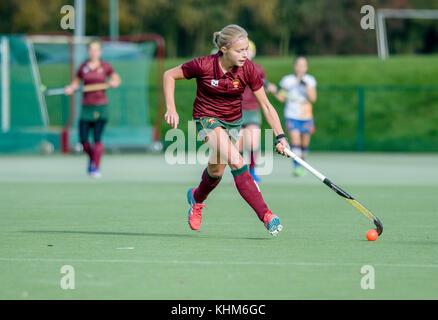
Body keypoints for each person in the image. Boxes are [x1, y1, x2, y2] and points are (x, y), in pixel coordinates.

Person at [163, 24, 289, 236]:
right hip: (206, 119)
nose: (245, 54)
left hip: (232, 122)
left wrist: (281, 136)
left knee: (216, 171)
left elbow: (266, 105)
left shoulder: (248, 69)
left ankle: (196, 199)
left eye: (246, 49)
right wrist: (171, 108)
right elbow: (169, 75)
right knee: (238, 161)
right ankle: (266, 215)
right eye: (239, 50)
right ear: (224, 50)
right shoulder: (203, 65)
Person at [65, 40, 121, 178]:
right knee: (84, 141)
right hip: (86, 108)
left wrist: (114, 82)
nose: (93, 52)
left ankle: (95, 167)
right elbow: (75, 82)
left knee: (97, 139)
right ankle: (92, 159)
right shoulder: (83, 67)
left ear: (100, 52)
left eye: (96, 50)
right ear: (88, 51)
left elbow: (116, 79)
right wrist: (71, 88)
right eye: (91, 49)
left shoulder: (105, 66)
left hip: (101, 107)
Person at [269, 57, 317, 177]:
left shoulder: (310, 80)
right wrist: (274, 91)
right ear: (294, 66)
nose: (300, 68)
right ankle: (297, 166)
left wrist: (305, 86)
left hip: (306, 116)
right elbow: (282, 97)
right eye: (298, 65)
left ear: (306, 67)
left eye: (303, 65)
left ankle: (302, 163)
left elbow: (313, 98)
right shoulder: (287, 80)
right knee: (295, 142)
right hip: (292, 116)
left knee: (304, 145)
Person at [237, 40, 276, 183]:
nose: (245, 53)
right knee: (238, 145)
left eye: (248, 50)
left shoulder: (258, 69)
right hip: (237, 110)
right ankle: (239, 174)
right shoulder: (234, 68)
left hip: (253, 109)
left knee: (252, 142)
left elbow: (262, 85)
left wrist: (269, 87)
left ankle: (253, 171)